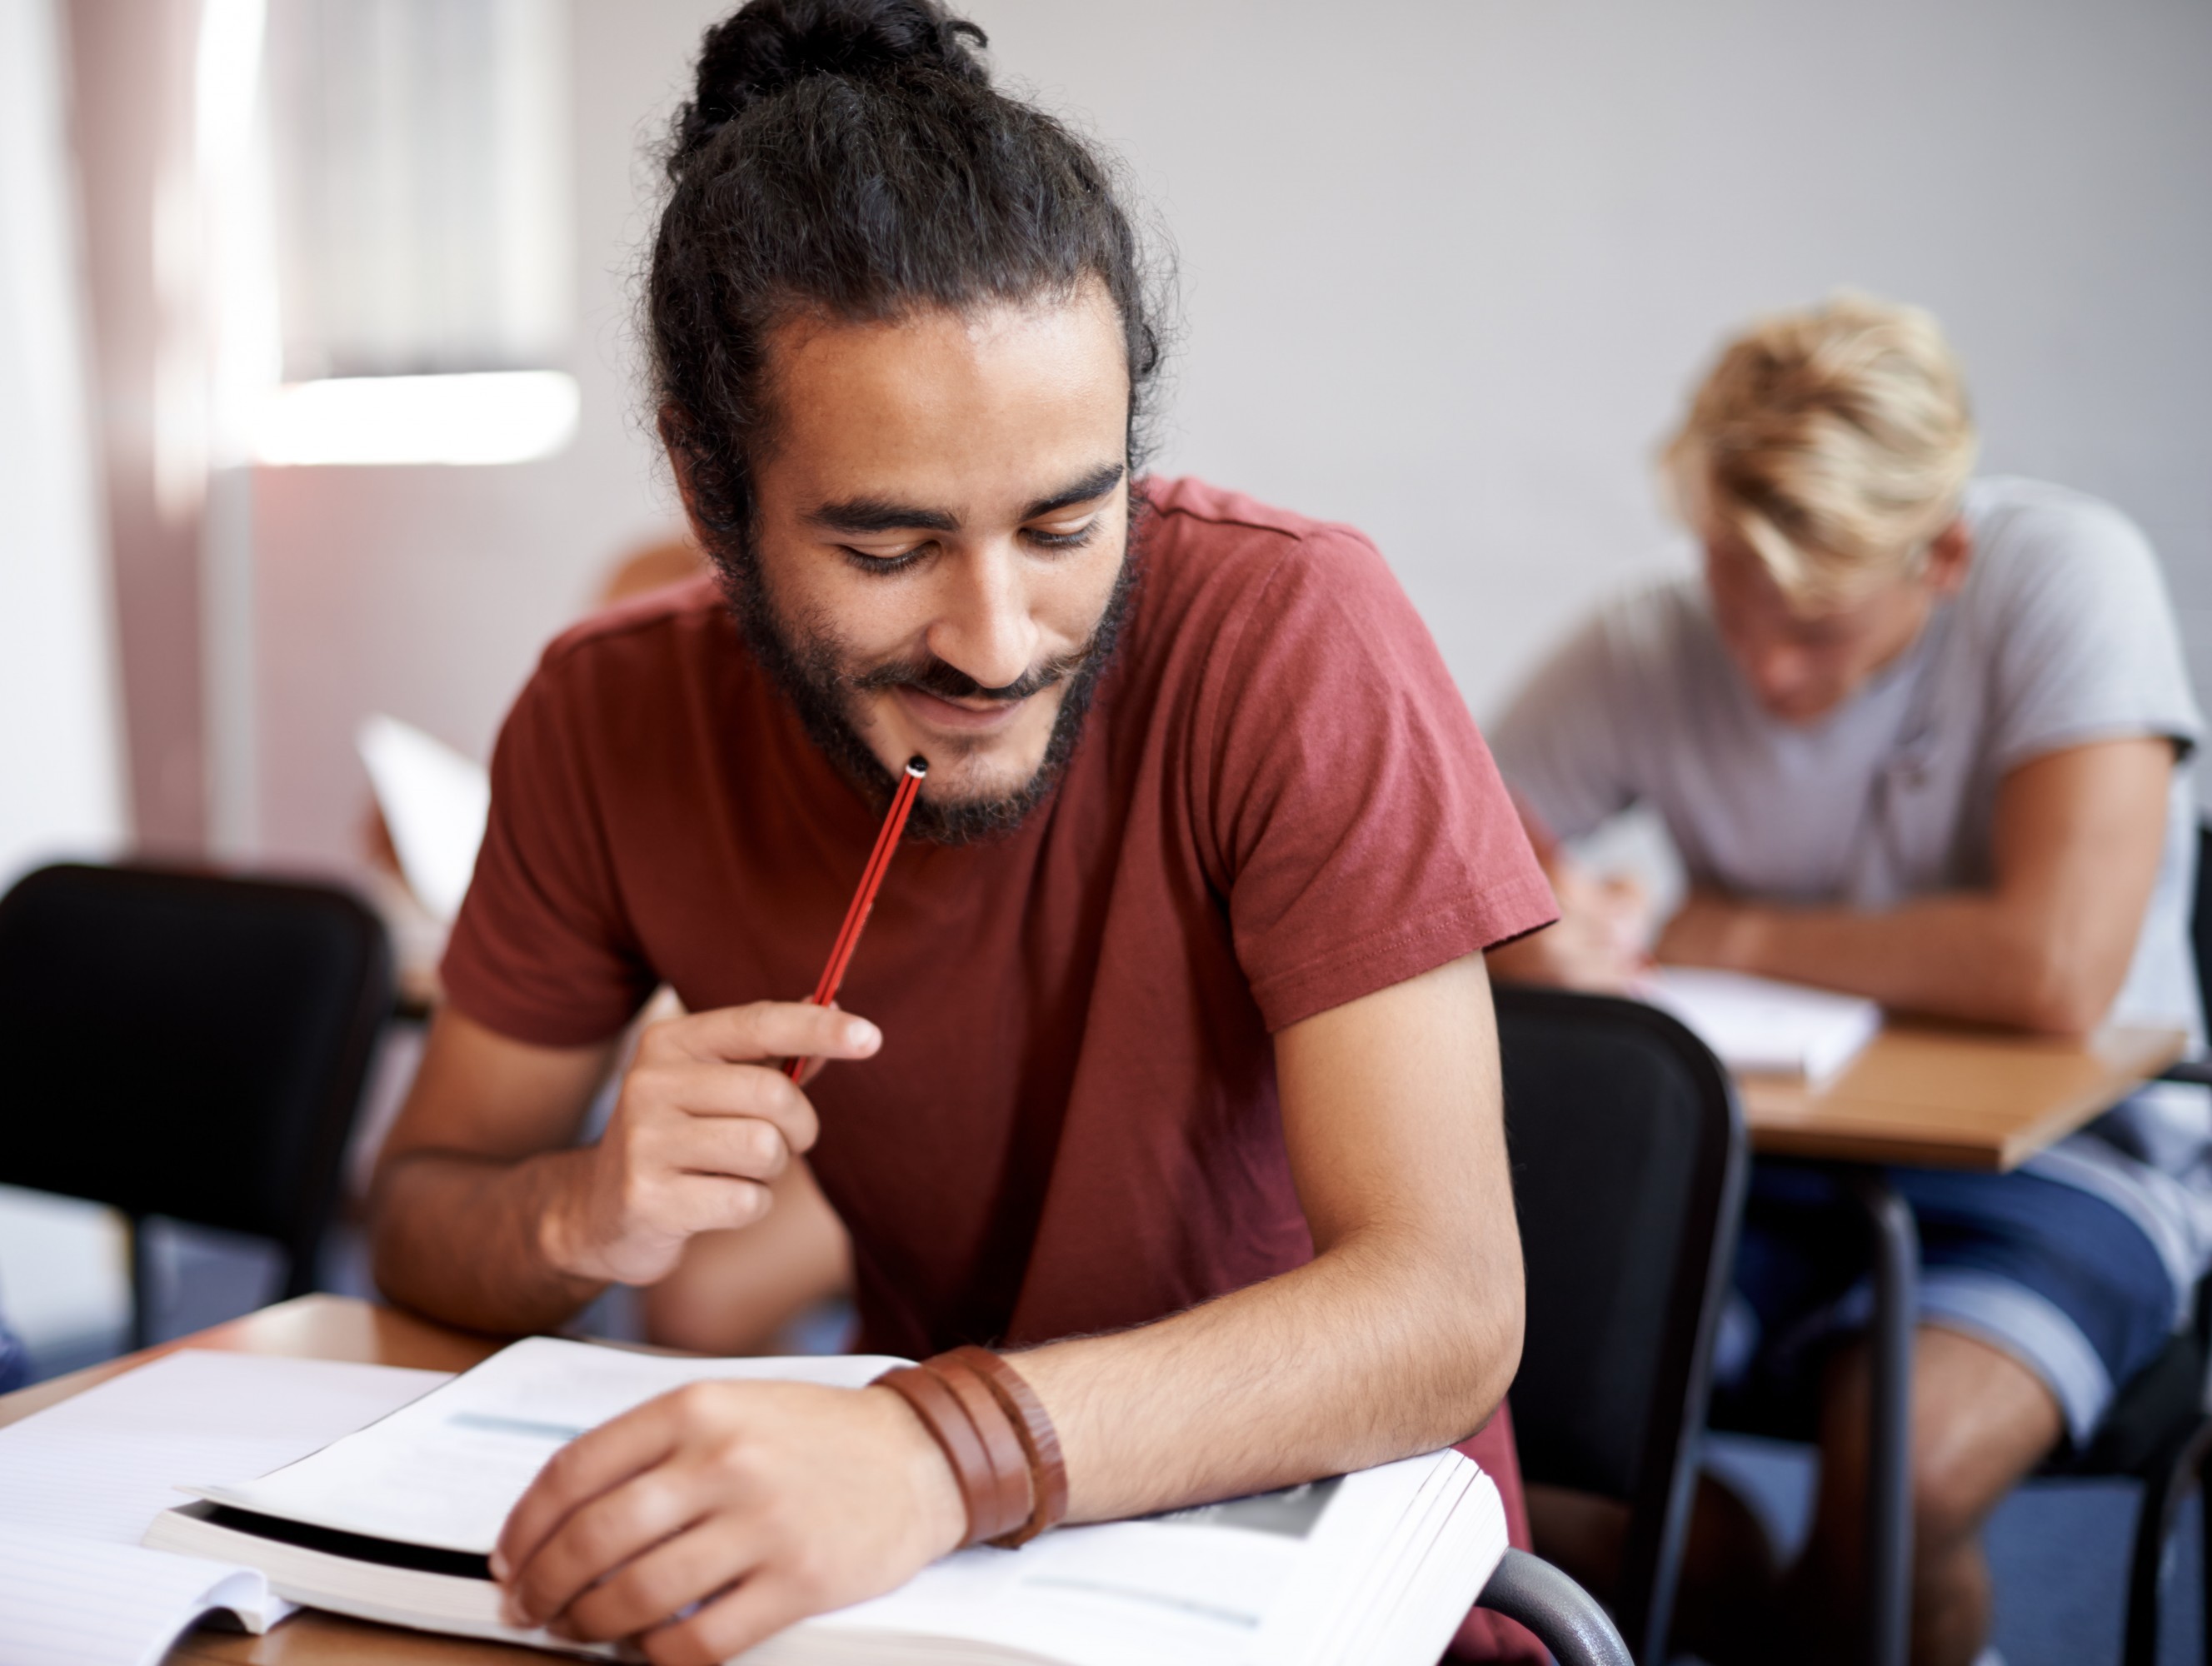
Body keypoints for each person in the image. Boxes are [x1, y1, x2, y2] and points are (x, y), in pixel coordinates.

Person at [367, 4, 1556, 1662]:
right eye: (887, 547)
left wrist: (942, 1450)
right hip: (923, 1592)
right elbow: (422, 1207)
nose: (997, 643)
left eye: (1069, 522)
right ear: (705, 488)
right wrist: (581, 1213)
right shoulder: (601, 714)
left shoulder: (1294, 632)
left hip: (1326, 1584)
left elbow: (1442, 1310)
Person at [1489, 292, 2207, 1666]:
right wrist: (1539, 930)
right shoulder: (1654, 636)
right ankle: (1766, 1608)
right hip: (1764, 1160)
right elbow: (1440, 848)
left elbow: (2054, 968)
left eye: (1816, 627)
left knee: (1906, 1477)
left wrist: (1718, 932)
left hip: (2075, 1161)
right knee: (1539, 1442)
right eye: (1729, 592)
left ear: (1942, 556)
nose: (1762, 662)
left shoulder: (2064, 577)